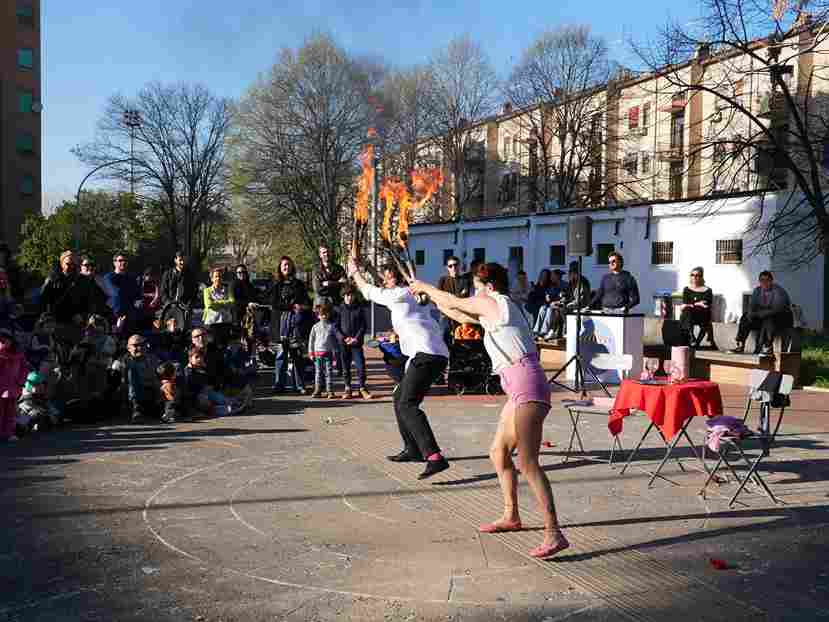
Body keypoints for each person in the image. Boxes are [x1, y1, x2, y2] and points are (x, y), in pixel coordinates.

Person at [409, 263, 569, 559]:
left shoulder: (494, 301)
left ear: (490, 286)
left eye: (476, 287)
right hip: (519, 386)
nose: (474, 292)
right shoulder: (496, 307)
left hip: (527, 385)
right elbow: (458, 313)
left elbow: (455, 301)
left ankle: (554, 533)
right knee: (498, 452)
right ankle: (511, 516)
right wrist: (429, 298)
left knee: (528, 463)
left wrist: (424, 287)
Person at [347, 258, 450, 480]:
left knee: (407, 403)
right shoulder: (412, 295)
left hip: (426, 354)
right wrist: (368, 266)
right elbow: (383, 284)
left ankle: (434, 456)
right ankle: (412, 449)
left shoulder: (399, 295)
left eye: (388, 278)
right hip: (433, 354)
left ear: (398, 279)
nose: (385, 282)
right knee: (399, 397)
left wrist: (355, 271)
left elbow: (369, 290)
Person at [270, 256, 311, 394]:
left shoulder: (298, 284)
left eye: (288, 264)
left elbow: (306, 302)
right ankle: (279, 385)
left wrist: (302, 307)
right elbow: (274, 303)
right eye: (284, 265)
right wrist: (291, 306)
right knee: (281, 356)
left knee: (297, 356)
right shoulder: (276, 285)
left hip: (296, 325)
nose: (286, 267)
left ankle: (299, 385)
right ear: (280, 268)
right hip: (281, 325)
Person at [731, 271, 793, 355]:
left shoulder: (779, 291)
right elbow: (752, 305)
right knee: (745, 317)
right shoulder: (757, 290)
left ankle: (767, 347)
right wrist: (751, 313)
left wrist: (761, 313)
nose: (764, 282)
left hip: (781, 318)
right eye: (762, 280)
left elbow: (777, 309)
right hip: (763, 316)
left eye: (767, 280)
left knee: (769, 320)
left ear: (771, 281)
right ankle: (740, 344)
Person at [40, 251, 96, 344]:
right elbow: (43, 300)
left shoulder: (83, 281)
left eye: (74, 264)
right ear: (61, 263)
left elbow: (90, 302)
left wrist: (83, 316)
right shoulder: (53, 279)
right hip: (56, 323)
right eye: (68, 264)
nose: (71, 266)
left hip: (76, 324)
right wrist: (48, 318)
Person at [336, 285, 371, 400]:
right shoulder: (339, 309)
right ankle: (347, 388)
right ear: (343, 296)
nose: (349, 297)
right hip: (344, 343)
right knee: (345, 367)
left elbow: (363, 326)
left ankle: (362, 388)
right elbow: (335, 327)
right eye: (347, 295)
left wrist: (356, 338)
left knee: (360, 366)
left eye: (351, 295)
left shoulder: (359, 308)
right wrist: (343, 338)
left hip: (356, 343)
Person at [124, 334, 169, 423]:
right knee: (132, 371)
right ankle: (136, 410)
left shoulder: (153, 359)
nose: (140, 348)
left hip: (151, 393)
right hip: (131, 398)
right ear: (128, 348)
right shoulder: (123, 361)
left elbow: (160, 375)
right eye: (136, 345)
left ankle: (170, 408)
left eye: (142, 345)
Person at [0, 328, 29, 442]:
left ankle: (8, 433)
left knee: (10, 412)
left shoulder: (19, 354)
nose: (3, 342)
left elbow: (24, 368)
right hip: (1, 387)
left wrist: (21, 382)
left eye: (5, 339)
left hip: (13, 387)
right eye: (1, 340)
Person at [104, 252, 142, 336]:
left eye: (125, 261)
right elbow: (116, 293)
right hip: (114, 314)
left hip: (130, 315)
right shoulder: (109, 277)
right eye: (120, 260)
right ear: (114, 263)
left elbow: (138, 295)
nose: (123, 262)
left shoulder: (131, 278)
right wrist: (131, 294)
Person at [160, 252, 199, 327]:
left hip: (185, 308)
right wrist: (169, 303)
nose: (182, 262)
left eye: (184, 260)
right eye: (180, 260)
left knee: (184, 329)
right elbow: (163, 291)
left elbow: (194, 291)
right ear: (175, 260)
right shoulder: (167, 274)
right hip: (170, 308)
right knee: (170, 329)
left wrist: (189, 305)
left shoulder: (190, 275)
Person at [308, 302, 338, 398]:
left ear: (328, 315)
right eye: (321, 315)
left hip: (328, 353)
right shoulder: (315, 327)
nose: (323, 316)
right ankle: (318, 390)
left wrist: (335, 355)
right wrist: (311, 353)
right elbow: (311, 340)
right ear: (318, 316)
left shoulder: (331, 326)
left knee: (329, 373)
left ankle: (330, 391)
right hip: (317, 353)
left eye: (325, 314)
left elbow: (335, 342)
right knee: (318, 373)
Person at [678, 267, 713, 347]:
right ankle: (692, 337)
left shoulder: (708, 290)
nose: (694, 277)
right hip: (690, 315)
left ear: (701, 277)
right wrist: (697, 303)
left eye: (697, 275)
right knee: (687, 312)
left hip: (702, 314)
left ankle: (697, 342)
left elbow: (706, 304)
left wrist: (692, 304)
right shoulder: (687, 289)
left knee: (691, 312)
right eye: (692, 275)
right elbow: (685, 303)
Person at [437, 256, 469, 342]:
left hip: (460, 316)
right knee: (443, 340)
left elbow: (465, 298)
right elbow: (439, 298)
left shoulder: (464, 281)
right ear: (447, 268)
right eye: (450, 266)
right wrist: (459, 295)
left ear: (459, 266)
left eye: (455, 265)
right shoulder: (443, 280)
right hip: (445, 316)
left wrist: (449, 298)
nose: (453, 268)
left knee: (460, 341)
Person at [202, 268, 235, 348]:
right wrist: (225, 303)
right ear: (212, 279)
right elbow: (209, 304)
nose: (218, 278)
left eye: (220, 276)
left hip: (225, 322)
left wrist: (216, 303)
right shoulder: (207, 291)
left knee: (224, 346)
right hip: (211, 322)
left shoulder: (228, 290)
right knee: (212, 346)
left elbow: (232, 302)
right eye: (216, 276)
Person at [532, 270, 565, 337]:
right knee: (542, 308)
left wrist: (555, 302)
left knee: (549, 310)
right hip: (552, 304)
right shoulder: (552, 285)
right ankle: (536, 330)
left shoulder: (563, 285)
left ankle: (544, 331)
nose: (551, 278)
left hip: (560, 305)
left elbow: (564, 298)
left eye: (552, 276)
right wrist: (547, 298)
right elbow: (548, 295)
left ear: (557, 276)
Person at [232, 264, 259, 328]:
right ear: (236, 274)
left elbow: (254, 297)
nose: (242, 274)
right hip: (238, 316)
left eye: (243, 272)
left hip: (250, 315)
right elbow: (235, 300)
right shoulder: (234, 285)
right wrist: (248, 303)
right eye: (239, 272)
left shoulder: (249, 285)